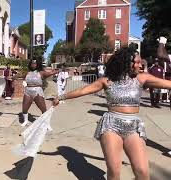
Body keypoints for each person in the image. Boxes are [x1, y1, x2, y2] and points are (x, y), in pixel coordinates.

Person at [53, 47, 171, 180]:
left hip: (133, 126)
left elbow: (168, 84)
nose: (140, 65)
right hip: (111, 126)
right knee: (114, 172)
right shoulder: (107, 80)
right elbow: (83, 90)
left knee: (142, 171)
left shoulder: (142, 78)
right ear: (126, 63)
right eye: (137, 62)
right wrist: (61, 97)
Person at [13, 59, 58, 127]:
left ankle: (47, 124)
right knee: (24, 108)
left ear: (38, 64)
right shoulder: (27, 73)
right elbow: (19, 76)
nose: (33, 65)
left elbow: (50, 73)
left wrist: (59, 70)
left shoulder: (41, 72)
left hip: (37, 91)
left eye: (35, 63)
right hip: (28, 91)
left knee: (43, 109)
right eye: (32, 63)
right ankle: (25, 121)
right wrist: (12, 77)